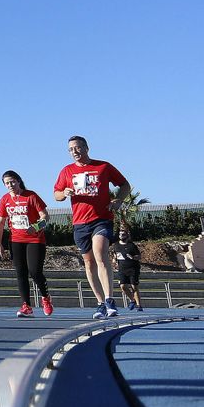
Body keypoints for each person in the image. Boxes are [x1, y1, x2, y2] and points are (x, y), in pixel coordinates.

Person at [53, 135, 130, 319]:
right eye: (71, 149)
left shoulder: (103, 166)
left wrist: (118, 200)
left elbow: (124, 184)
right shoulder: (66, 171)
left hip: (101, 219)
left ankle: (110, 300)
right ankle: (100, 303)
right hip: (80, 223)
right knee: (88, 263)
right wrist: (64, 193)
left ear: (86, 148)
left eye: (78, 148)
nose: (75, 152)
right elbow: (56, 194)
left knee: (100, 253)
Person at [0, 169, 52, 317]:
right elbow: (0, 222)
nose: (10, 185)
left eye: (12, 181)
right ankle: (27, 306)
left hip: (35, 239)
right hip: (16, 240)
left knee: (35, 271)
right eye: (7, 183)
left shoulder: (30, 196)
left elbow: (45, 216)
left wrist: (37, 226)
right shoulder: (4, 200)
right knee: (21, 273)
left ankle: (45, 298)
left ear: (18, 181)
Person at [114, 224, 143, 311]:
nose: (121, 236)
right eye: (120, 234)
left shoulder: (132, 245)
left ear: (127, 236)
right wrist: (114, 261)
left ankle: (139, 305)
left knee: (134, 287)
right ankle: (132, 300)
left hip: (133, 269)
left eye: (123, 234)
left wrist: (133, 257)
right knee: (122, 286)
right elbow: (115, 256)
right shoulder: (116, 245)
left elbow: (139, 256)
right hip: (122, 269)